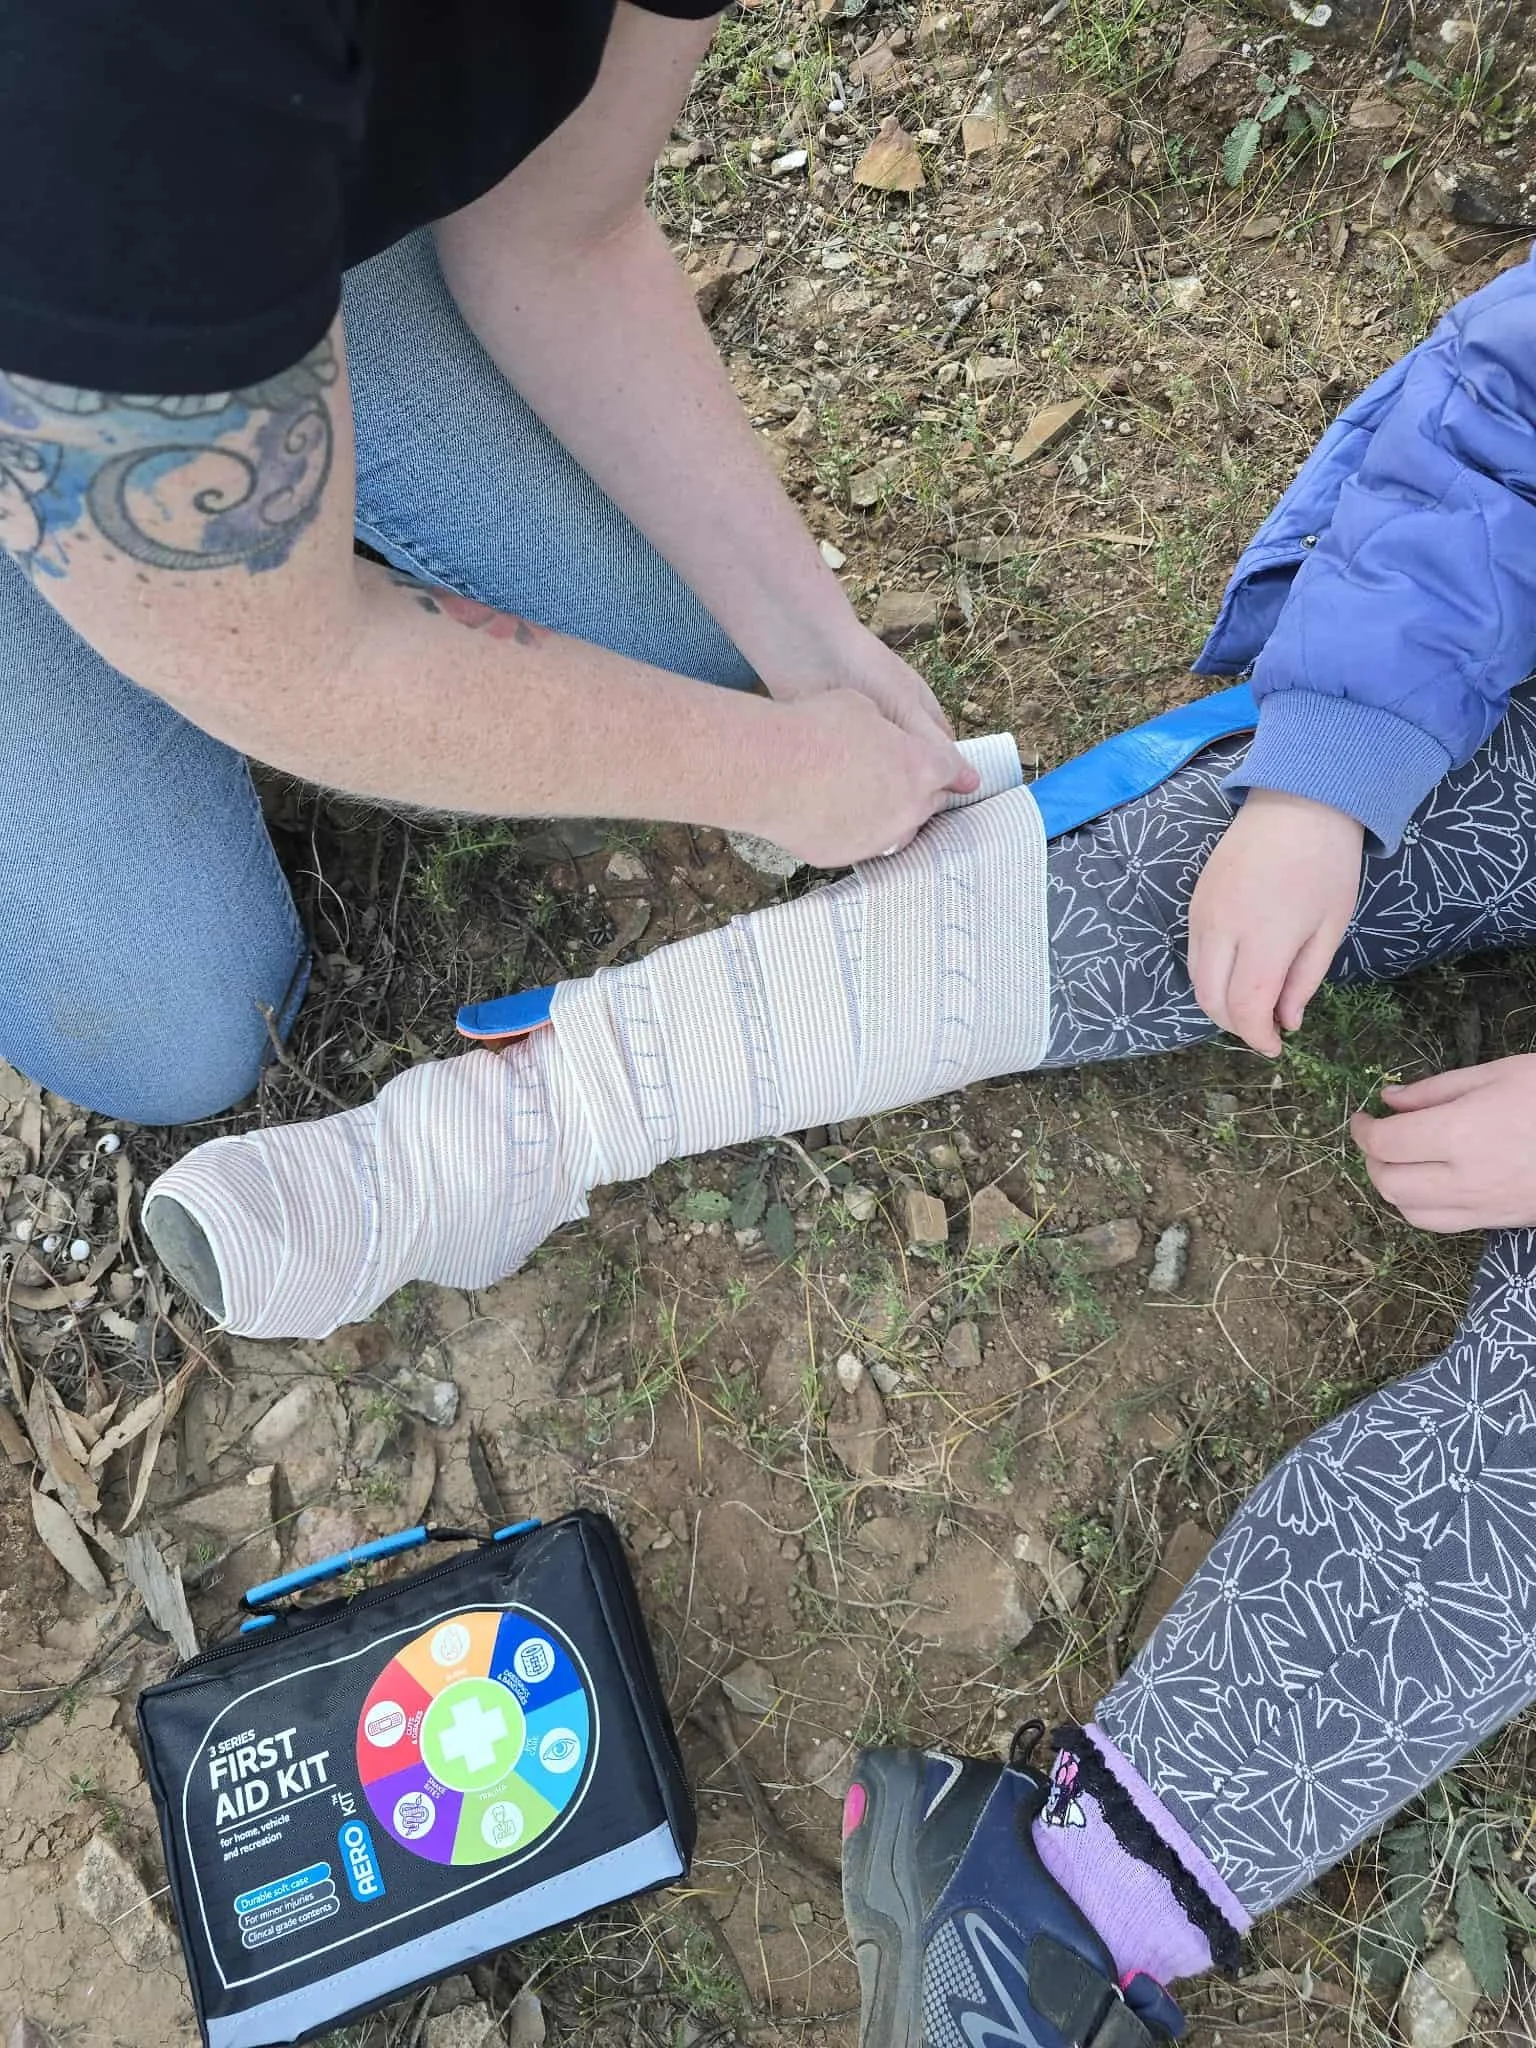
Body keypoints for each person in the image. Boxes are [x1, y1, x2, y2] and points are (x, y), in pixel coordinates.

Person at [0, 4, 978, 1129]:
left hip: (199, 201)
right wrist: (781, 777)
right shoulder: (121, 53)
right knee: (173, 1035)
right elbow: (302, 666)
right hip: (111, 168)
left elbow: (567, 234)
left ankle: (216, 375)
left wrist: (819, 644)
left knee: (690, 639)